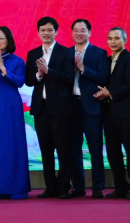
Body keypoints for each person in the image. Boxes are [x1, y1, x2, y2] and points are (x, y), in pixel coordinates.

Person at [25, 16, 75, 199]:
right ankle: (50, 187)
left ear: (56, 32)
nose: (46, 33)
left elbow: (69, 78)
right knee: (45, 150)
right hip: (41, 109)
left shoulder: (66, 52)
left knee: (63, 149)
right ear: (38, 32)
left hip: (61, 109)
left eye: (49, 30)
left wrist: (48, 71)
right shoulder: (32, 54)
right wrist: (39, 75)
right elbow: (28, 80)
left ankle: (63, 187)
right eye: (42, 30)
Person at [0, 26, 30, 199]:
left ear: (8, 40)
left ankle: (17, 187)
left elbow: (20, 82)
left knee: (14, 143)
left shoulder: (17, 61)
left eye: (0, 38)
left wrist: (4, 69)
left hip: (11, 106)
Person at [96, 27, 130, 199]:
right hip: (109, 113)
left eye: (117, 38)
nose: (113, 42)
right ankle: (120, 187)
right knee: (113, 152)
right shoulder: (106, 60)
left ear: (125, 40)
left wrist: (110, 93)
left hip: (126, 112)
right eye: (110, 38)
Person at [68, 19, 109, 198]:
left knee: (95, 148)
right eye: (76, 30)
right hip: (71, 107)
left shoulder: (99, 53)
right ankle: (78, 187)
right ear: (72, 33)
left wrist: (83, 69)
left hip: (92, 106)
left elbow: (103, 78)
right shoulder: (66, 53)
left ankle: (98, 187)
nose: (79, 33)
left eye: (82, 30)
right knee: (73, 149)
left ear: (89, 33)